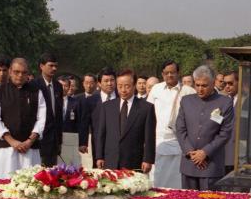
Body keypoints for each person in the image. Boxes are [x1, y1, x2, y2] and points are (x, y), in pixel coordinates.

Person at [176, 65, 233, 190]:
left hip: (211, 165)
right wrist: (190, 152)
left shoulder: (224, 102)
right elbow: (180, 129)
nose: (200, 89)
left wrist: (205, 152)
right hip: (189, 163)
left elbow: (225, 133)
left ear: (213, 84)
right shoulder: (186, 101)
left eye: (204, 85)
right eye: (197, 85)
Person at [0, 58, 46, 178]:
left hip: (29, 149)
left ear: (28, 74)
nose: (20, 75)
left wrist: (30, 140)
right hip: (5, 149)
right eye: (16, 72)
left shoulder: (36, 92)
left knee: (30, 187)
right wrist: (12, 141)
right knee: (3, 185)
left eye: (24, 72)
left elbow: (41, 118)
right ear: (10, 71)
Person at [147, 60, 196, 188]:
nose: (169, 75)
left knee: (177, 181)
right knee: (157, 179)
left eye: (172, 72)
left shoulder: (188, 91)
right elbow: (148, 113)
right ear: (162, 74)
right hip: (158, 141)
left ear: (178, 73)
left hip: (179, 142)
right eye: (166, 73)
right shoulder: (156, 89)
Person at [96, 69, 155, 171]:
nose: (123, 90)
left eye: (127, 86)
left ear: (134, 85)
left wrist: (148, 160)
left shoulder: (146, 108)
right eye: (120, 86)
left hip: (134, 160)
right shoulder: (107, 107)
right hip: (110, 160)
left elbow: (149, 137)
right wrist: (99, 156)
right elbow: (101, 133)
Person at [79, 67, 117, 167]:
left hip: (118, 142)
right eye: (106, 81)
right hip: (98, 142)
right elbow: (84, 122)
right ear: (99, 84)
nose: (109, 83)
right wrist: (83, 142)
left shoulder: (121, 98)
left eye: (112, 80)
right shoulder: (91, 100)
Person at [34, 53, 63, 167]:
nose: (54, 68)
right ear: (41, 66)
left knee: (52, 175)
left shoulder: (58, 86)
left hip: (54, 140)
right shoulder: (34, 85)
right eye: (51, 65)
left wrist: (59, 140)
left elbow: (59, 114)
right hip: (39, 139)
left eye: (55, 66)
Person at [223, 71, 238, 175]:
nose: (227, 87)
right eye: (225, 84)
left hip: (239, 154)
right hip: (221, 153)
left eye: (230, 83)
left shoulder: (249, 101)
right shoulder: (220, 101)